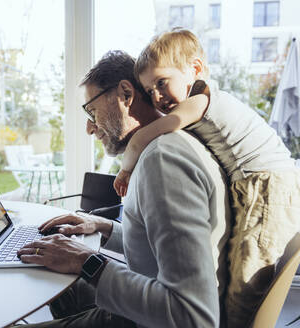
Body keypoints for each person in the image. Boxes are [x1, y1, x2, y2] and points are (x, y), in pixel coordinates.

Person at [16, 50, 231, 328]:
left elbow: (193, 318)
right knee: (46, 260)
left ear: (126, 94)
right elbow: (154, 248)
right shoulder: (162, 148)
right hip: (144, 303)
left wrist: (86, 261)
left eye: (92, 111)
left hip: (143, 320)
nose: (90, 128)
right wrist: (102, 227)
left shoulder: (163, 162)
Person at [113, 29, 300, 327]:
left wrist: (126, 168)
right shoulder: (205, 102)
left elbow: (143, 138)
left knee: (246, 283)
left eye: (161, 82)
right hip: (268, 184)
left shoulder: (200, 100)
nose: (156, 96)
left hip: (270, 187)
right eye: (149, 90)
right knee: (241, 272)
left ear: (194, 70)